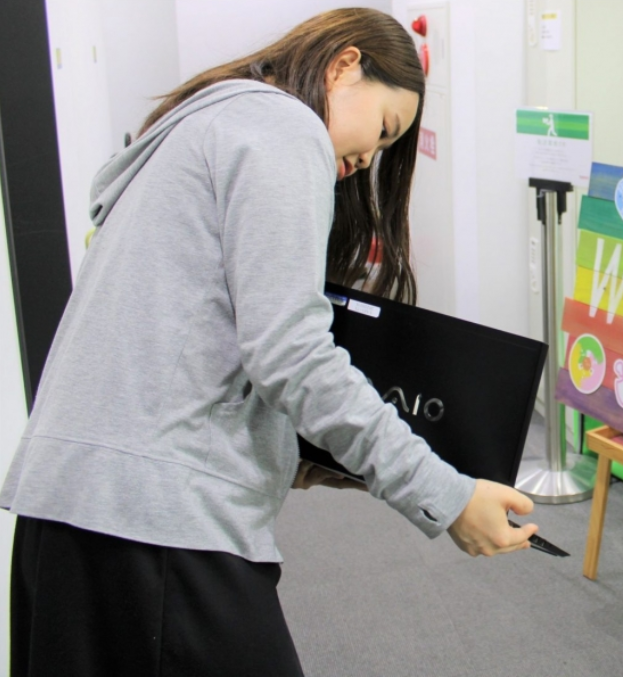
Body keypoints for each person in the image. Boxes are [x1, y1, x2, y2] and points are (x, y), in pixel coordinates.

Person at [2, 9, 537, 676]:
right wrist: (446, 495)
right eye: (382, 129)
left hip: (67, 513)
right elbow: (291, 353)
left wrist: (294, 451)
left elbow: (193, 348)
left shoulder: (201, 128)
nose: (369, 159)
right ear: (344, 65)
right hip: (156, 526)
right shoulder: (282, 127)